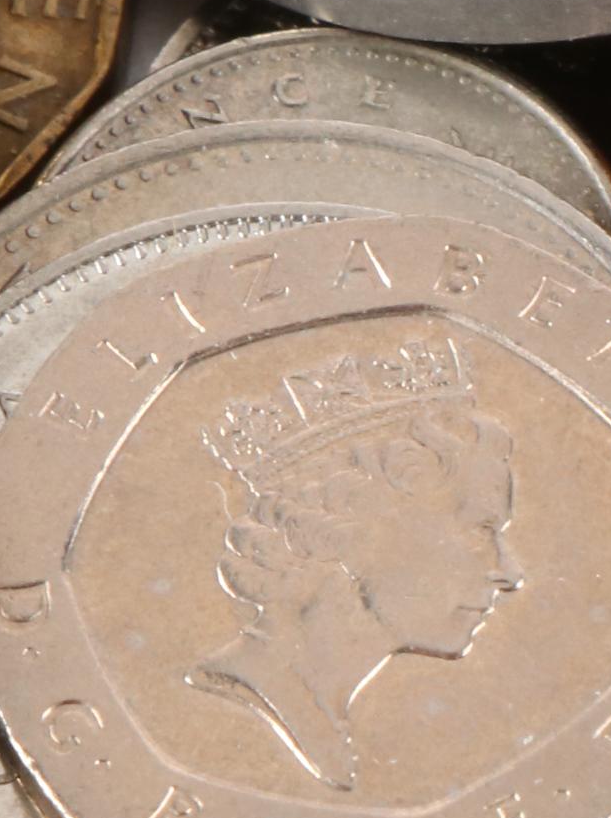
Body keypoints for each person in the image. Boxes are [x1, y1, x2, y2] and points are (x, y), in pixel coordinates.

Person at [189, 334, 519, 793]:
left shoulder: (319, 722)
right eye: (480, 530)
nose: (509, 572)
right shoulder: (240, 721)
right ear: (358, 524)